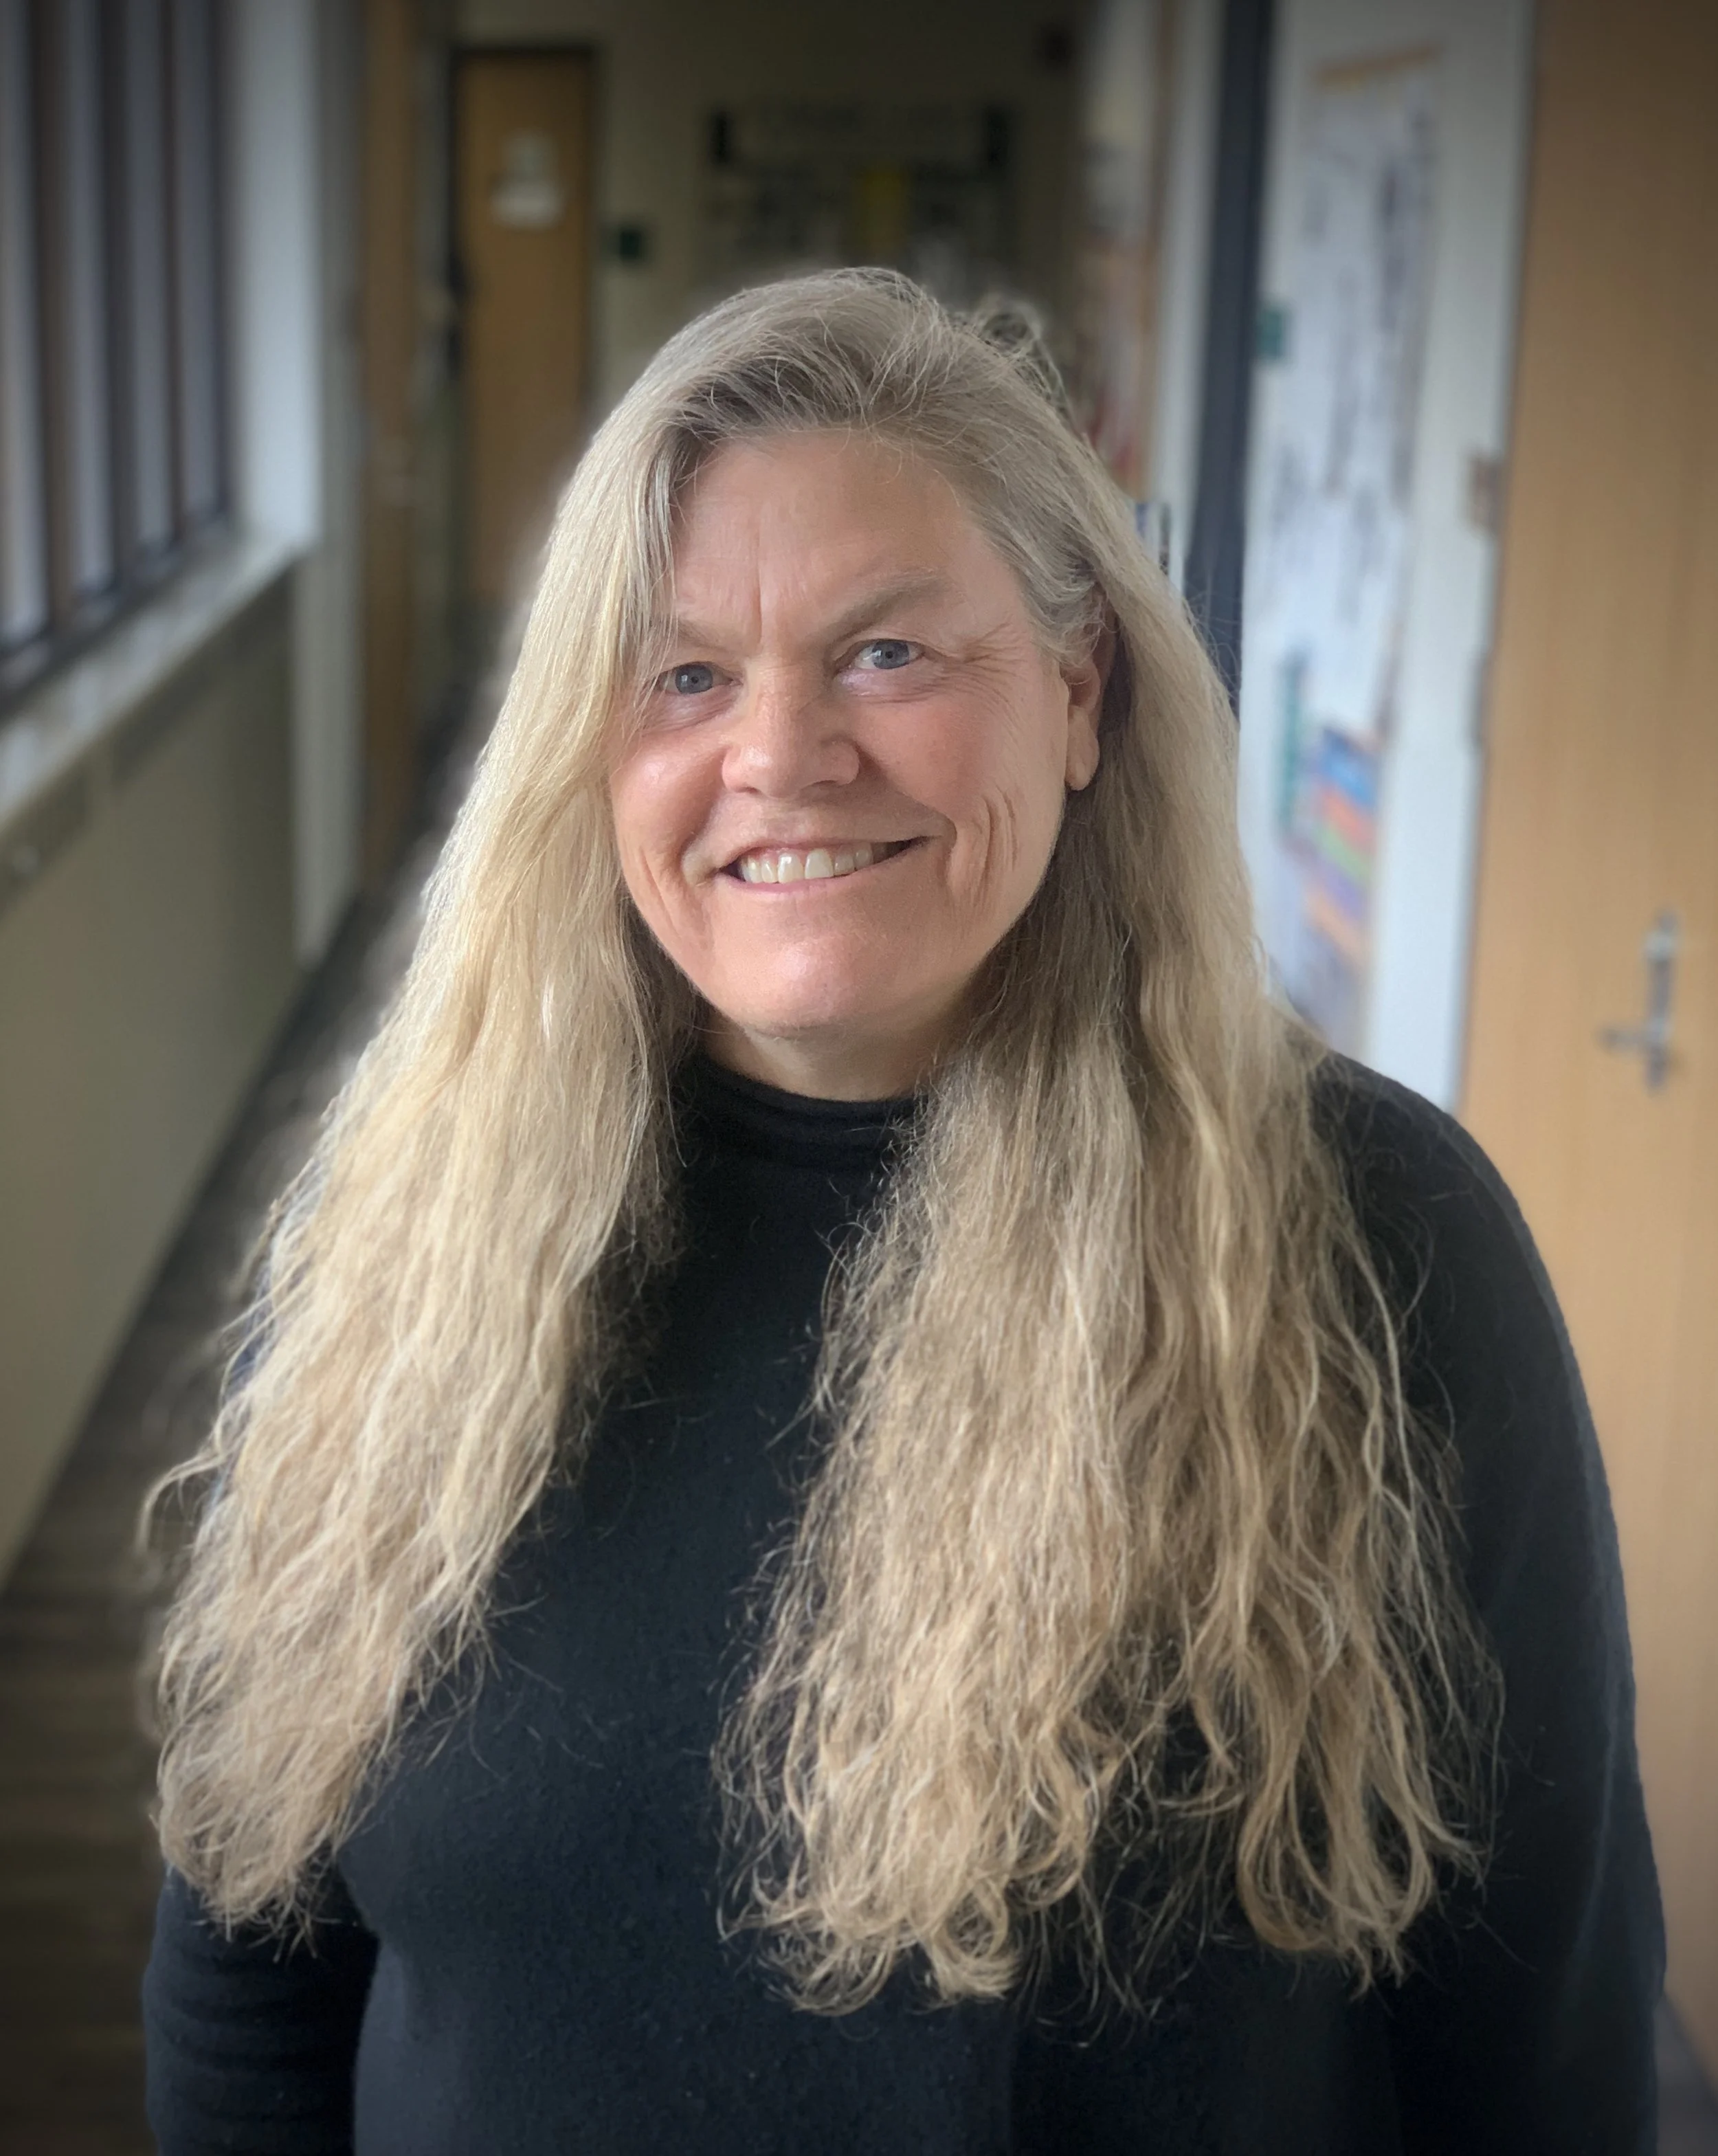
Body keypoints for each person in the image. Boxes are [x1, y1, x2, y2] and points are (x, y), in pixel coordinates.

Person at [142, 269, 1662, 2154]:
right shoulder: (412, 1223)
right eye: (684, 674)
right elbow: (247, 1965)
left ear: (1080, 687)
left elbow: (1544, 2050)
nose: (779, 755)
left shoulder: (1374, 1241)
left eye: (887, 655)